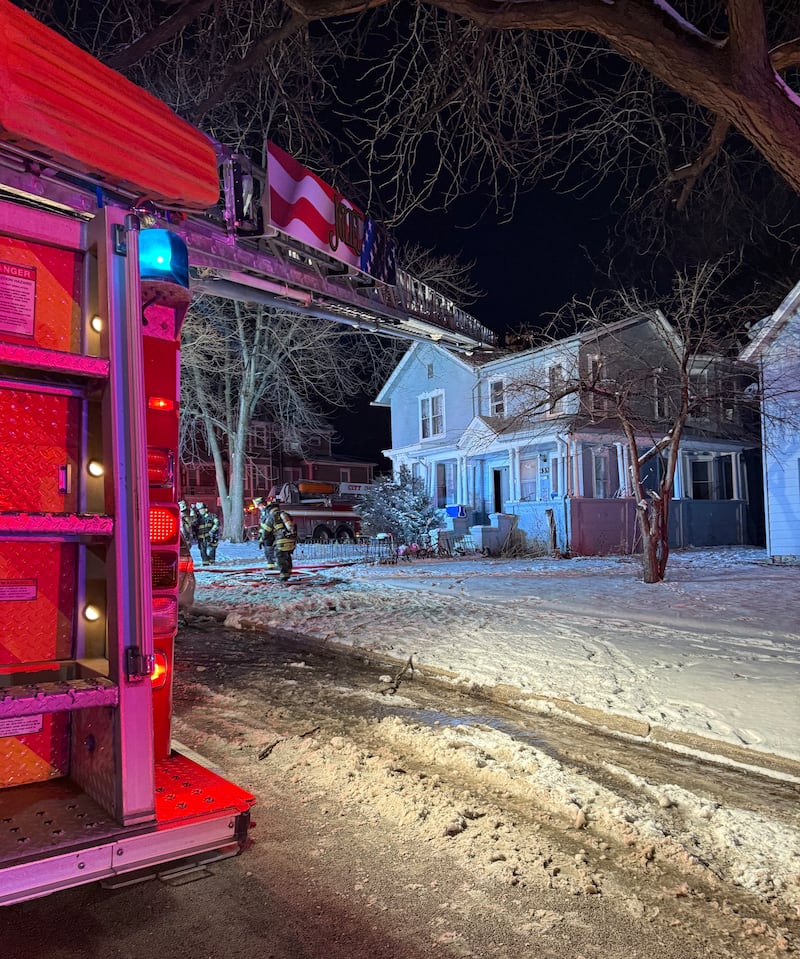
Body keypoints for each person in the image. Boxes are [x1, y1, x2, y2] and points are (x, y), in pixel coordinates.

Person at [261, 499, 296, 582]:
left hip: (281, 541)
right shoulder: (285, 514)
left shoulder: (272, 516)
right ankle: (288, 572)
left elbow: (266, 531)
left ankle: (284, 576)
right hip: (291, 540)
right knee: (287, 556)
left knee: (280, 557)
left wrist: (263, 539)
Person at [255, 497, 277, 569]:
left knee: (270, 549)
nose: (258, 507)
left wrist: (263, 535)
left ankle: (273, 564)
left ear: (262, 504)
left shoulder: (269, 511)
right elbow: (263, 525)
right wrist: (261, 535)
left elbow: (268, 525)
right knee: (268, 550)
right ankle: (271, 565)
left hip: (270, 534)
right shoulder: (264, 511)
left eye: (259, 505)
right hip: (267, 534)